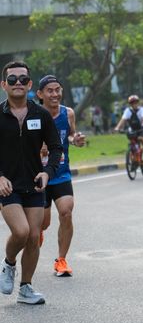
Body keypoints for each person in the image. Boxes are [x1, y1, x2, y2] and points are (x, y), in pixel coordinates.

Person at [0, 62, 62, 305]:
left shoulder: (40, 114)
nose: (18, 83)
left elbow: (55, 147)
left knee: (34, 237)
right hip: (8, 186)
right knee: (21, 231)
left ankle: (26, 288)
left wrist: (48, 172)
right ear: (4, 85)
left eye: (23, 79)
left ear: (29, 85)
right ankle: (8, 263)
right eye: (12, 79)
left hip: (35, 184)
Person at [36, 75, 86, 277]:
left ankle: (61, 260)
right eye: (50, 90)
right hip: (39, 176)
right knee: (44, 223)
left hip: (61, 173)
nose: (55, 94)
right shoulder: (33, 115)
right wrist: (38, 149)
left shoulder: (68, 113)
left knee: (66, 212)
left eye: (58, 89)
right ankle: (38, 231)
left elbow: (71, 134)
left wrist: (76, 140)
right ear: (40, 94)